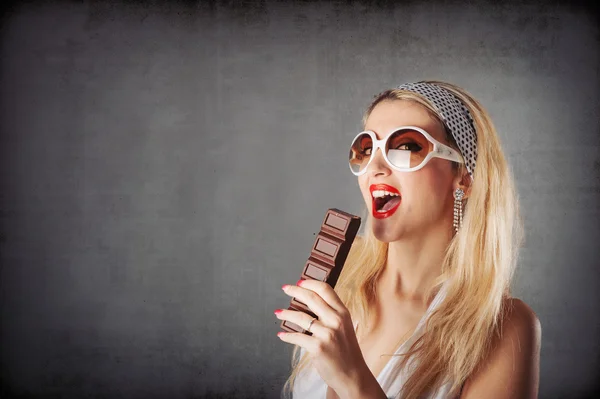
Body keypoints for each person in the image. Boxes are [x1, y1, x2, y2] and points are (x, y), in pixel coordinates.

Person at [274, 81, 541, 399]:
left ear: (464, 178)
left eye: (405, 148)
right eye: (366, 148)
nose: (375, 166)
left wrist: (352, 380)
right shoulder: (338, 280)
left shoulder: (504, 329)